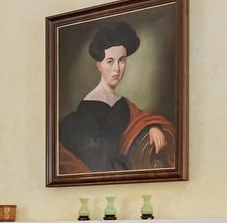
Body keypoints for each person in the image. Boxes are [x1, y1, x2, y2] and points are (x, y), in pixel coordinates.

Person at [56, 18, 174, 175]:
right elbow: (94, 159)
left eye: (122, 60)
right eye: (110, 61)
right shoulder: (87, 110)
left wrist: (152, 126)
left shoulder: (123, 104)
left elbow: (139, 120)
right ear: (99, 65)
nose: (117, 69)